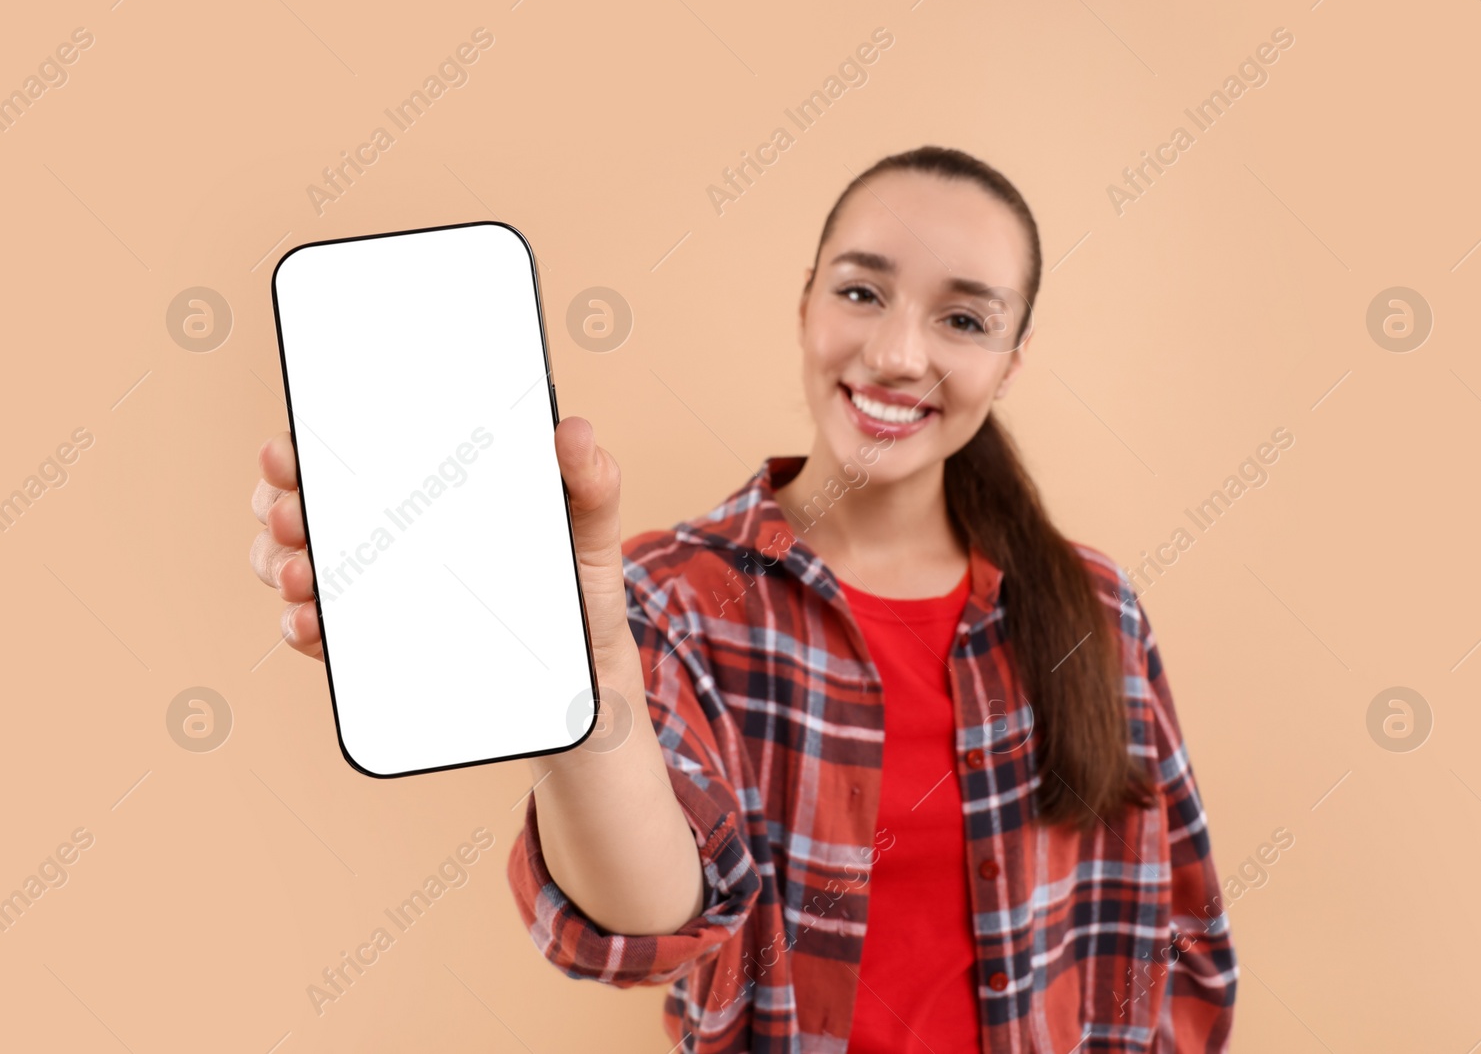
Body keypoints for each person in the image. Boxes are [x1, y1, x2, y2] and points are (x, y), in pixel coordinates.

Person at [249, 145, 1237, 1053]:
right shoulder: (674, 600)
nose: (898, 354)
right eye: (862, 291)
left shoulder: (1094, 609)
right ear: (806, 303)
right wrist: (584, 666)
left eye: (964, 319)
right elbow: (647, 922)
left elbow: (1175, 940)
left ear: (1008, 362)